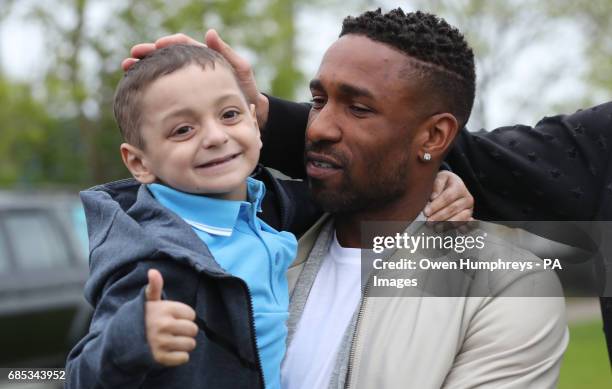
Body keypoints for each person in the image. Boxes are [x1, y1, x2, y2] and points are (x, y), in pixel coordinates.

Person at [126, 6, 612, 364]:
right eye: (319, 100)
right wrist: (239, 118)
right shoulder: (266, 239)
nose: (318, 128)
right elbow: (480, 162)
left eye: (358, 108)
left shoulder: (509, 296)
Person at [66, 42, 473, 388]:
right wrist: (129, 340)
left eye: (229, 115)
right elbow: (78, 375)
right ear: (139, 163)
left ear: (255, 121)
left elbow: (364, 184)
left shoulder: (270, 208)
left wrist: (437, 177)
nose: (215, 136)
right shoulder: (153, 259)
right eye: (182, 130)